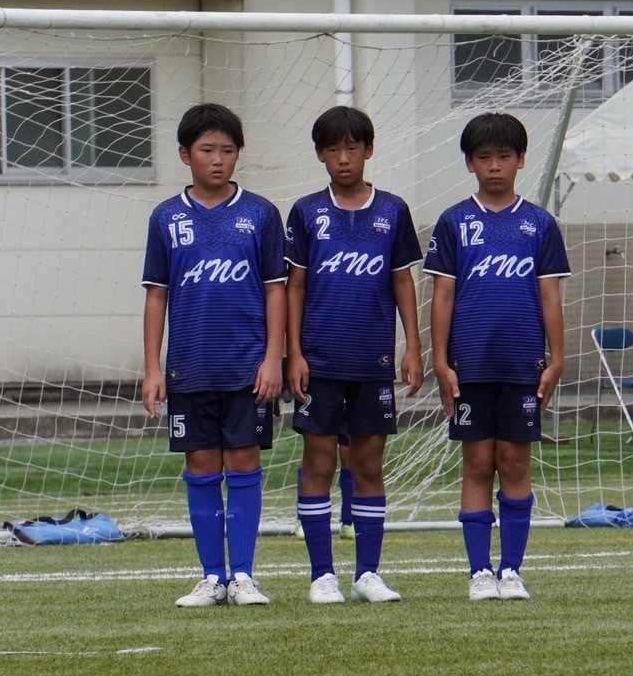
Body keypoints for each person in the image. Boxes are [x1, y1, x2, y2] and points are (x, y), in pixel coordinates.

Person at [142, 103, 286, 607]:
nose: (218, 159)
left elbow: (275, 289)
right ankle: (212, 577)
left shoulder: (260, 214)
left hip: (248, 368)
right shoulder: (167, 218)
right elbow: (156, 294)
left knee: (244, 461)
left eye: (228, 150)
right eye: (207, 150)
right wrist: (152, 368)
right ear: (186, 155)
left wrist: (273, 358)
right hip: (190, 366)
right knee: (201, 463)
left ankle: (243, 576)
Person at [423, 112, 569, 601]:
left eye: (504, 156)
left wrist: (557, 358)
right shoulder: (454, 222)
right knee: (479, 464)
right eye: (484, 157)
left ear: (521, 160)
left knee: (515, 462)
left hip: (522, 365)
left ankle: (511, 570)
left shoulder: (540, 224)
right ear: (470, 163)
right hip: (471, 366)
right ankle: (479, 572)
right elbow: (442, 296)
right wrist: (440, 361)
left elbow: (550, 296)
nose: (494, 166)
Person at [285, 106, 424, 604]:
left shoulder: (393, 210)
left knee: (368, 465)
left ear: (368, 150)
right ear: (320, 154)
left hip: (372, 363)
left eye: (352, 148)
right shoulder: (306, 212)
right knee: (319, 464)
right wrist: (294, 353)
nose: (343, 158)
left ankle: (368, 574)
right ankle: (322, 576)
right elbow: (295, 285)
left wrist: (413, 345)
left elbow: (402, 280)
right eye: (333, 149)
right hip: (319, 362)